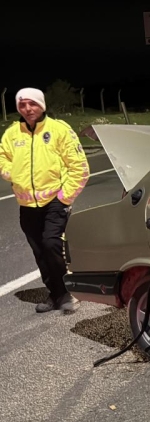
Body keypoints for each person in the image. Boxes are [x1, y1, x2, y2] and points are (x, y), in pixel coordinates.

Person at [0, 88, 90, 313]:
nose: (28, 109)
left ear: (42, 105)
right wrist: (15, 174)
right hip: (26, 205)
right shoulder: (12, 133)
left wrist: (64, 198)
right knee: (39, 252)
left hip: (55, 202)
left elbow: (79, 167)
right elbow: (3, 159)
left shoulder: (59, 129)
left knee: (52, 245)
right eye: (22, 105)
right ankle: (56, 293)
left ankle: (69, 292)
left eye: (32, 104)